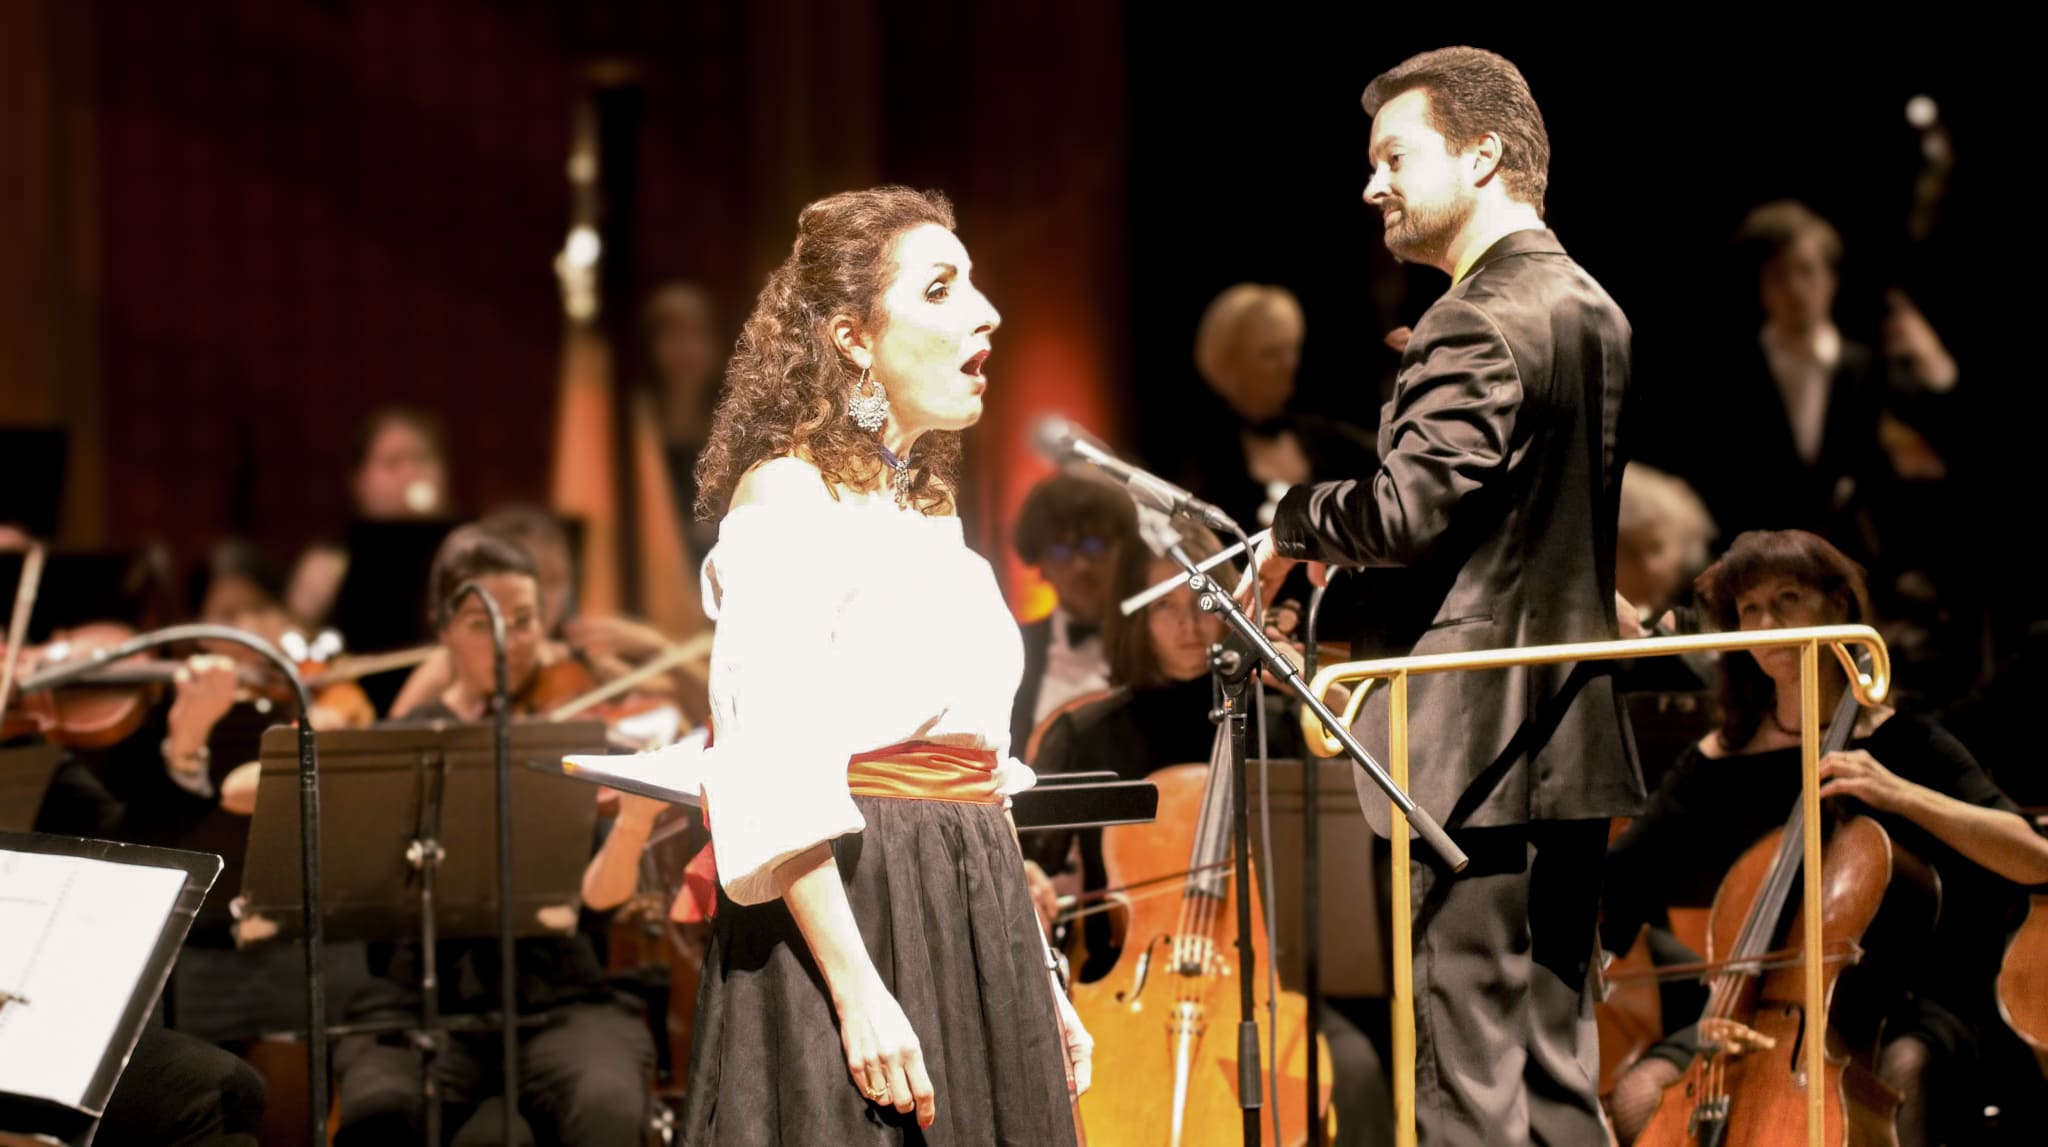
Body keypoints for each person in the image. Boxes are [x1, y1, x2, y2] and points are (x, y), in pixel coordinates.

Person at [1243, 47, 1640, 1145]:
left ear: (1481, 155)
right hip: (1566, 730)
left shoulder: (1475, 317)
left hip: (1469, 744)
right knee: (1554, 1073)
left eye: (1393, 157)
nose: (1371, 185)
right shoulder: (1592, 304)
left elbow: (1405, 517)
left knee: (1465, 1081)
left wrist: (1289, 516)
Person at [672, 185, 1088, 1144]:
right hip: (860, 903)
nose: (986, 312)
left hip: (969, 900)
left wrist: (1039, 977)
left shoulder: (927, 514)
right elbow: (773, 766)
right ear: (853, 339)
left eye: (974, 283)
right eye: (941, 289)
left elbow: (981, 773)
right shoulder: (787, 496)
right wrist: (857, 990)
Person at [1602, 530, 2048, 1146]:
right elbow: (1620, 887)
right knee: (1640, 1094)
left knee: (1902, 1071)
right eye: (1750, 608)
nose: (1768, 623)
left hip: (1901, 1006)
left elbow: (2034, 857)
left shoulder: (1905, 745)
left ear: (1838, 604)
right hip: (1754, 1008)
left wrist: (1899, 794)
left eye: (1787, 598)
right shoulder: (1717, 762)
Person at [331, 527, 654, 1147]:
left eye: (525, 621)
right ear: (443, 630)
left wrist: (634, 823)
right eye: (483, 624)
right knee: (380, 1112)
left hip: (560, 997)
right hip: (418, 1000)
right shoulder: (399, 743)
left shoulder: (573, 737)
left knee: (606, 1103)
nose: (510, 642)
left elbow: (601, 900)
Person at [1174, 283, 1378, 532]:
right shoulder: (1205, 462)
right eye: (1270, 354)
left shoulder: (1325, 436)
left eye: (1292, 349)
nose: (1289, 364)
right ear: (1229, 364)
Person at [1007, 473, 1140, 756]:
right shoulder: (1010, 647)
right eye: (1060, 551)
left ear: (1124, 551)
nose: (1081, 566)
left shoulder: (1159, 638)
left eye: (1094, 546)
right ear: (1040, 564)